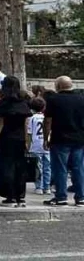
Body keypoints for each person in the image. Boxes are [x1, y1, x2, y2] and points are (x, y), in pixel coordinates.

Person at [43, 76, 84, 206]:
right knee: (78, 168)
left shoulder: (53, 99)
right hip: (79, 138)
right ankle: (81, 197)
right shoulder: (81, 99)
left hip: (60, 138)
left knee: (60, 168)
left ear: (59, 86)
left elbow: (48, 120)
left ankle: (61, 197)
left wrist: (46, 138)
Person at [0, 76, 32, 208]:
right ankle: (20, 195)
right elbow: (26, 124)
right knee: (20, 167)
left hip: (6, 137)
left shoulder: (2, 104)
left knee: (6, 166)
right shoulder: (23, 103)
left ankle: (10, 195)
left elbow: (0, 123)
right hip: (20, 138)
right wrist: (27, 140)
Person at [28, 97, 50, 196]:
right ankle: (47, 186)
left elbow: (29, 132)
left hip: (36, 144)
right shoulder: (46, 117)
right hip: (46, 143)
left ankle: (39, 187)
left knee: (38, 167)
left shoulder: (32, 118)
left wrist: (28, 145)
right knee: (47, 167)